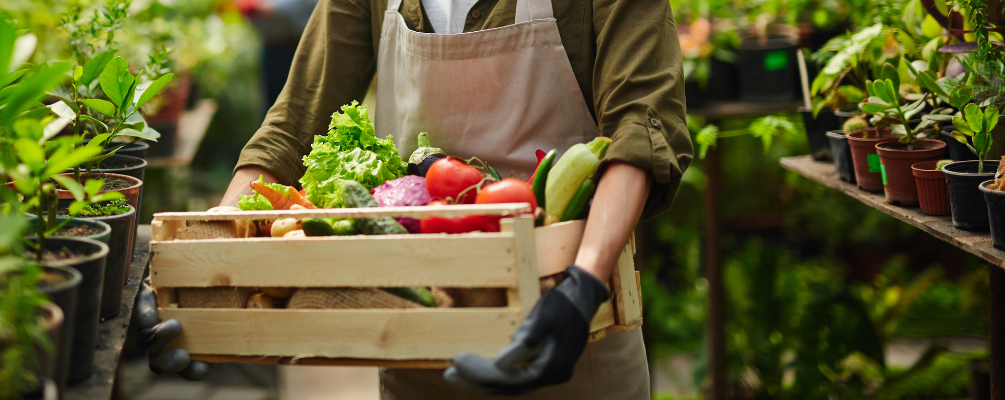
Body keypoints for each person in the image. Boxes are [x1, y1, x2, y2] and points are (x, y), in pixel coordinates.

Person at [137, 0, 693, 396]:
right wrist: (202, 265)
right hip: (413, 337)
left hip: (567, 339)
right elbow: (294, 125)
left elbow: (641, 126)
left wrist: (581, 287)